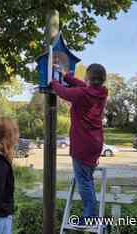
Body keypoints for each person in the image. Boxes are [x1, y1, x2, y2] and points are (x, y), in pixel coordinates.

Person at [51, 63, 108, 227]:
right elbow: (83, 86)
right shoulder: (102, 92)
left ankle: (89, 217)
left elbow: (63, 92)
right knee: (87, 179)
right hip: (96, 142)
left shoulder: (82, 94)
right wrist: (67, 77)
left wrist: (53, 82)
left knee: (83, 181)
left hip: (83, 143)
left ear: (88, 78)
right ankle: (92, 213)